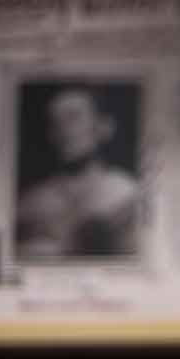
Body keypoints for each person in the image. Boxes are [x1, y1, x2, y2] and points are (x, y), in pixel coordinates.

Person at [15, 86, 142, 259]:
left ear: (104, 127)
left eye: (73, 118)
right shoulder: (31, 202)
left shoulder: (127, 193)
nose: (63, 130)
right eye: (54, 122)